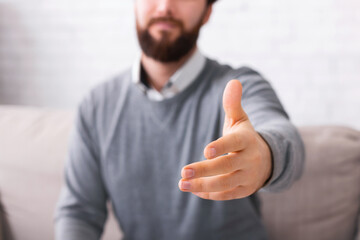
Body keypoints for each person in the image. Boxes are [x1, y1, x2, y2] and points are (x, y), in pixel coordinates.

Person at [55, 0, 305, 239]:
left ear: (207, 12)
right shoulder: (96, 105)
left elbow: (284, 135)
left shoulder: (239, 86)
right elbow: (79, 213)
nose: (165, 7)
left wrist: (265, 155)